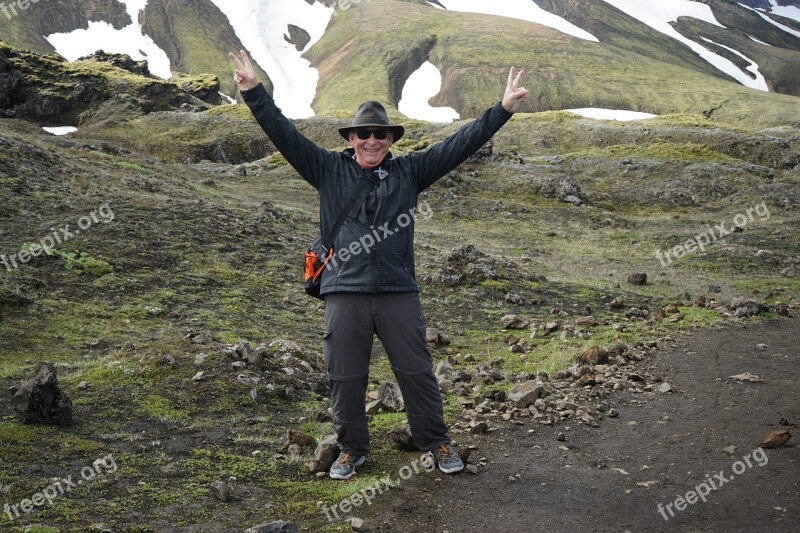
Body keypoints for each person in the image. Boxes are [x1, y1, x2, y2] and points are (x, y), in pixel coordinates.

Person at [229, 50, 529, 480]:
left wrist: (501, 111)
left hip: (396, 291)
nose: (372, 141)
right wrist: (254, 92)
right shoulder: (325, 168)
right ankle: (351, 449)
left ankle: (436, 442)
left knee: (417, 373)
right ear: (351, 137)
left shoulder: (410, 172)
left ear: (391, 139)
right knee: (345, 378)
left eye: (381, 134)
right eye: (364, 134)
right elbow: (282, 133)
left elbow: (460, 144)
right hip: (344, 290)